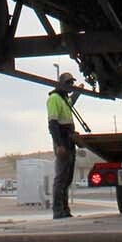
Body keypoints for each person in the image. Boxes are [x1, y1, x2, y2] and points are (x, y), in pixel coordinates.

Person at [47, 71, 80, 219]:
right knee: (61, 177)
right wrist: (59, 144)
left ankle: (65, 210)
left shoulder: (65, 99)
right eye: (68, 83)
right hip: (62, 141)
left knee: (67, 178)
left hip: (69, 141)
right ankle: (58, 210)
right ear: (61, 84)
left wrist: (79, 91)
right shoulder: (54, 99)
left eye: (71, 83)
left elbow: (72, 101)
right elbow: (53, 124)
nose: (70, 86)